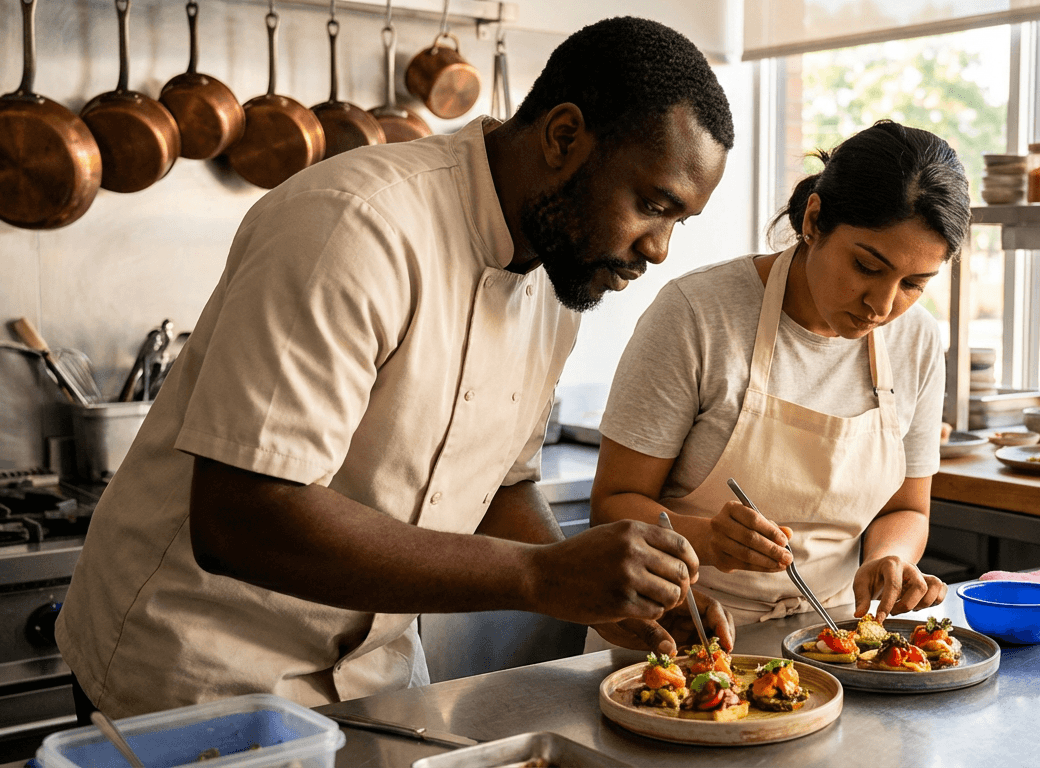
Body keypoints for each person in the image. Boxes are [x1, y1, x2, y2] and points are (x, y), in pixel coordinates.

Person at [55, 16, 736, 719]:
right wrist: (539, 577)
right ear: (564, 138)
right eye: (653, 205)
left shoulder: (556, 277)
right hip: (193, 676)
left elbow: (504, 485)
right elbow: (242, 518)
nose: (659, 250)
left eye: (678, 222)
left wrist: (600, 600)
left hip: (373, 679)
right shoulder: (353, 223)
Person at [589, 121, 971, 631]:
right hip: (682, 632)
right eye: (866, 266)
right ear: (813, 220)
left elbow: (907, 509)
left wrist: (891, 558)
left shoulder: (917, 340)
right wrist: (704, 538)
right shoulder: (697, 314)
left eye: (913, 284)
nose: (881, 305)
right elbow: (612, 506)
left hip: (831, 638)